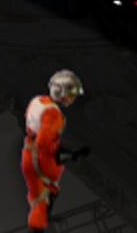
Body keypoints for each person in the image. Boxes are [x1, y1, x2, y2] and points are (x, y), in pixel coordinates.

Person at [21, 70, 89, 233]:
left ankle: (42, 222)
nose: (72, 98)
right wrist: (71, 155)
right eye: (70, 94)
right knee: (44, 201)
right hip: (40, 159)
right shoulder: (54, 115)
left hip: (30, 152)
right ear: (61, 92)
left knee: (41, 199)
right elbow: (46, 147)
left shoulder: (38, 100)